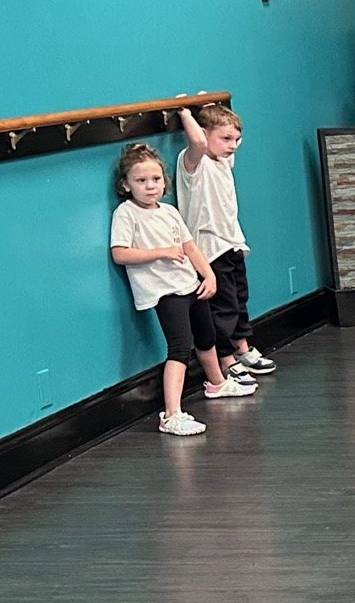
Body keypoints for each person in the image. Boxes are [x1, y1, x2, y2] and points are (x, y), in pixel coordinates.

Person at [109, 143, 257, 437]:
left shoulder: (170, 212)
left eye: (155, 179)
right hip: (165, 292)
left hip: (190, 284)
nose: (150, 186)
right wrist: (161, 252)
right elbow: (120, 253)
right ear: (125, 185)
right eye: (141, 181)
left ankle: (216, 382)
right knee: (179, 348)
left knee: (207, 337)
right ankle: (171, 413)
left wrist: (209, 275)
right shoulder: (126, 214)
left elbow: (190, 247)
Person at [176, 104, 275, 384]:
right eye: (226, 139)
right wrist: (186, 114)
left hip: (232, 242)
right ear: (204, 134)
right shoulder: (192, 162)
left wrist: (210, 107)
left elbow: (214, 137)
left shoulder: (222, 160)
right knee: (223, 307)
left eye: (236, 140)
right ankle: (226, 359)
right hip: (209, 249)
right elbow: (196, 140)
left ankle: (242, 348)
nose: (233, 146)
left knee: (239, 299)